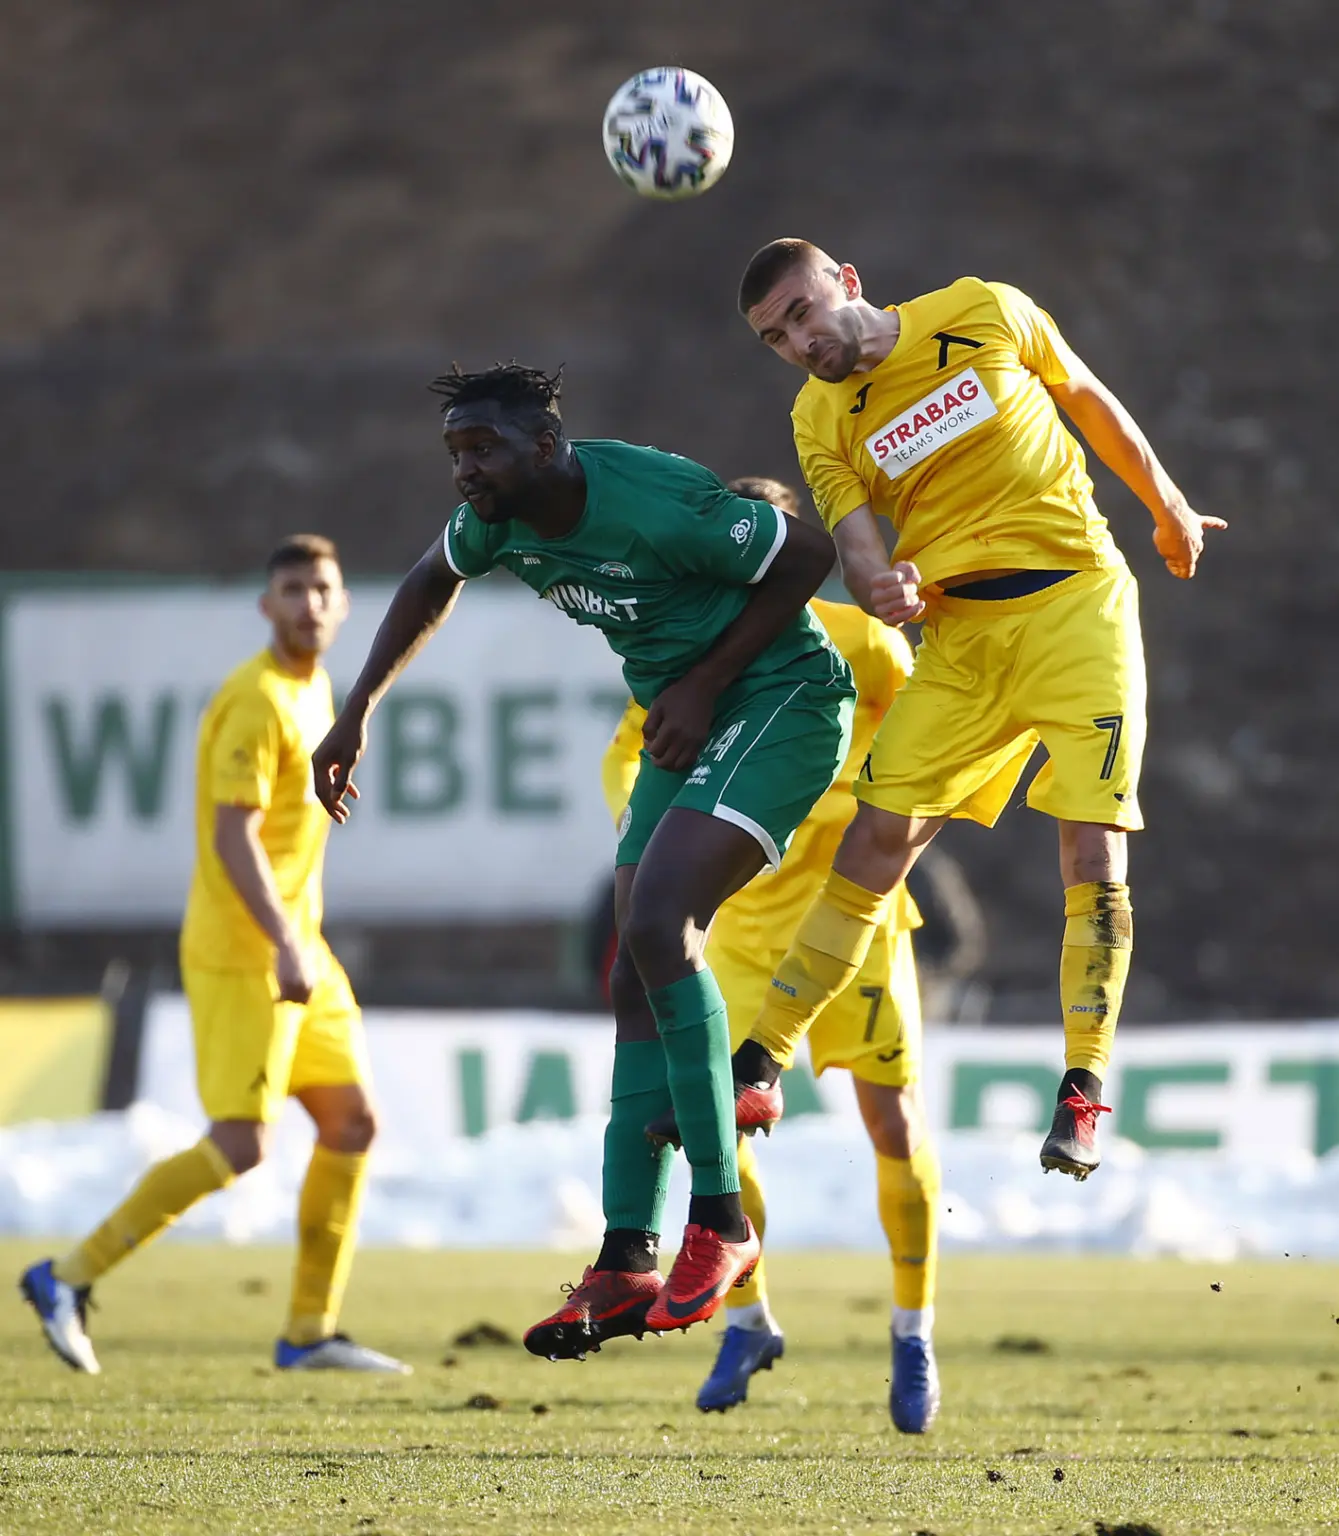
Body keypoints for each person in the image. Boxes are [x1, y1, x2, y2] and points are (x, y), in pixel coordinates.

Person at [310, 364, 856, 1353]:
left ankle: (722, 1224)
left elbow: (809, 552)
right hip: (684, 716)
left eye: (484, 449)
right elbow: (431, 578)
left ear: (547, 446)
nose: (466, 471)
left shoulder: (654, 500)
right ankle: (624, 1259)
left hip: (781, 700)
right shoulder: (497, 522)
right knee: (631, 970)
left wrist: (705, 682)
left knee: (660, 923)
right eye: (456, 452)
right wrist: (357, 713)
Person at [727, 240, 1226, 1181]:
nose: (798, 341)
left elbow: (1084, 396)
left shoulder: (982, 308)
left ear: (847, 283)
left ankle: (1081, 1089)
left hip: (1077, 605)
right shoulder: (818, 415)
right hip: (961, 641)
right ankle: (761, 1060)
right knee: (875, 841)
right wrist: (881, 589)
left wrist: (1165, 504)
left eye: (800, 311)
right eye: (775, 337)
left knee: (1091, 846)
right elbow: (856, 545)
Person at [20, 536, 408, 1376]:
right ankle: (66, 1276)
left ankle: (308, 1331)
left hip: (301, 945)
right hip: (246, 952)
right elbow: (234, 838)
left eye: (322, 589)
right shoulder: (255, 699)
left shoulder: (317, 690)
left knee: (352, 1122)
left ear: (344, 605)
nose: (309, 603)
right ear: (265, 606)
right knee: (241, 1143)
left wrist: (299, 942)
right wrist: (282, 943)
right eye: (291, 589)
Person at [602, 474, 942, 1433]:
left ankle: (912, 1332)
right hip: (739, 933)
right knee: (703, 1124)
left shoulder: (860, 640)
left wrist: (866, 819)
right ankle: (748, 1321)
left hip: (851, 926)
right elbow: (627, 753)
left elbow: (924, 745)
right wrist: (648, 820)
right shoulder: (682, 653)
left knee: (894, 1128)